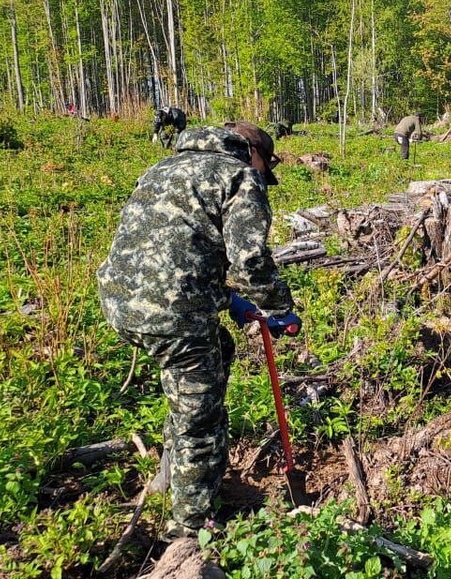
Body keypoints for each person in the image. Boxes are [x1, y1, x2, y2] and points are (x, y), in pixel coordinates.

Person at [97, 121, 300, 539]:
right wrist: (279, 307)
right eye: (265, 164)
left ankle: (170, 475)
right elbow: (250, 263)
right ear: (252, 152)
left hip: (120, 303)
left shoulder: (164, 167)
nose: (263, 174)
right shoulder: (238, 175)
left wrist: (230, 301)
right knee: (201, 419)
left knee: (217, 352)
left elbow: (177, 254)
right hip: (173, 317)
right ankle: (189, 530)